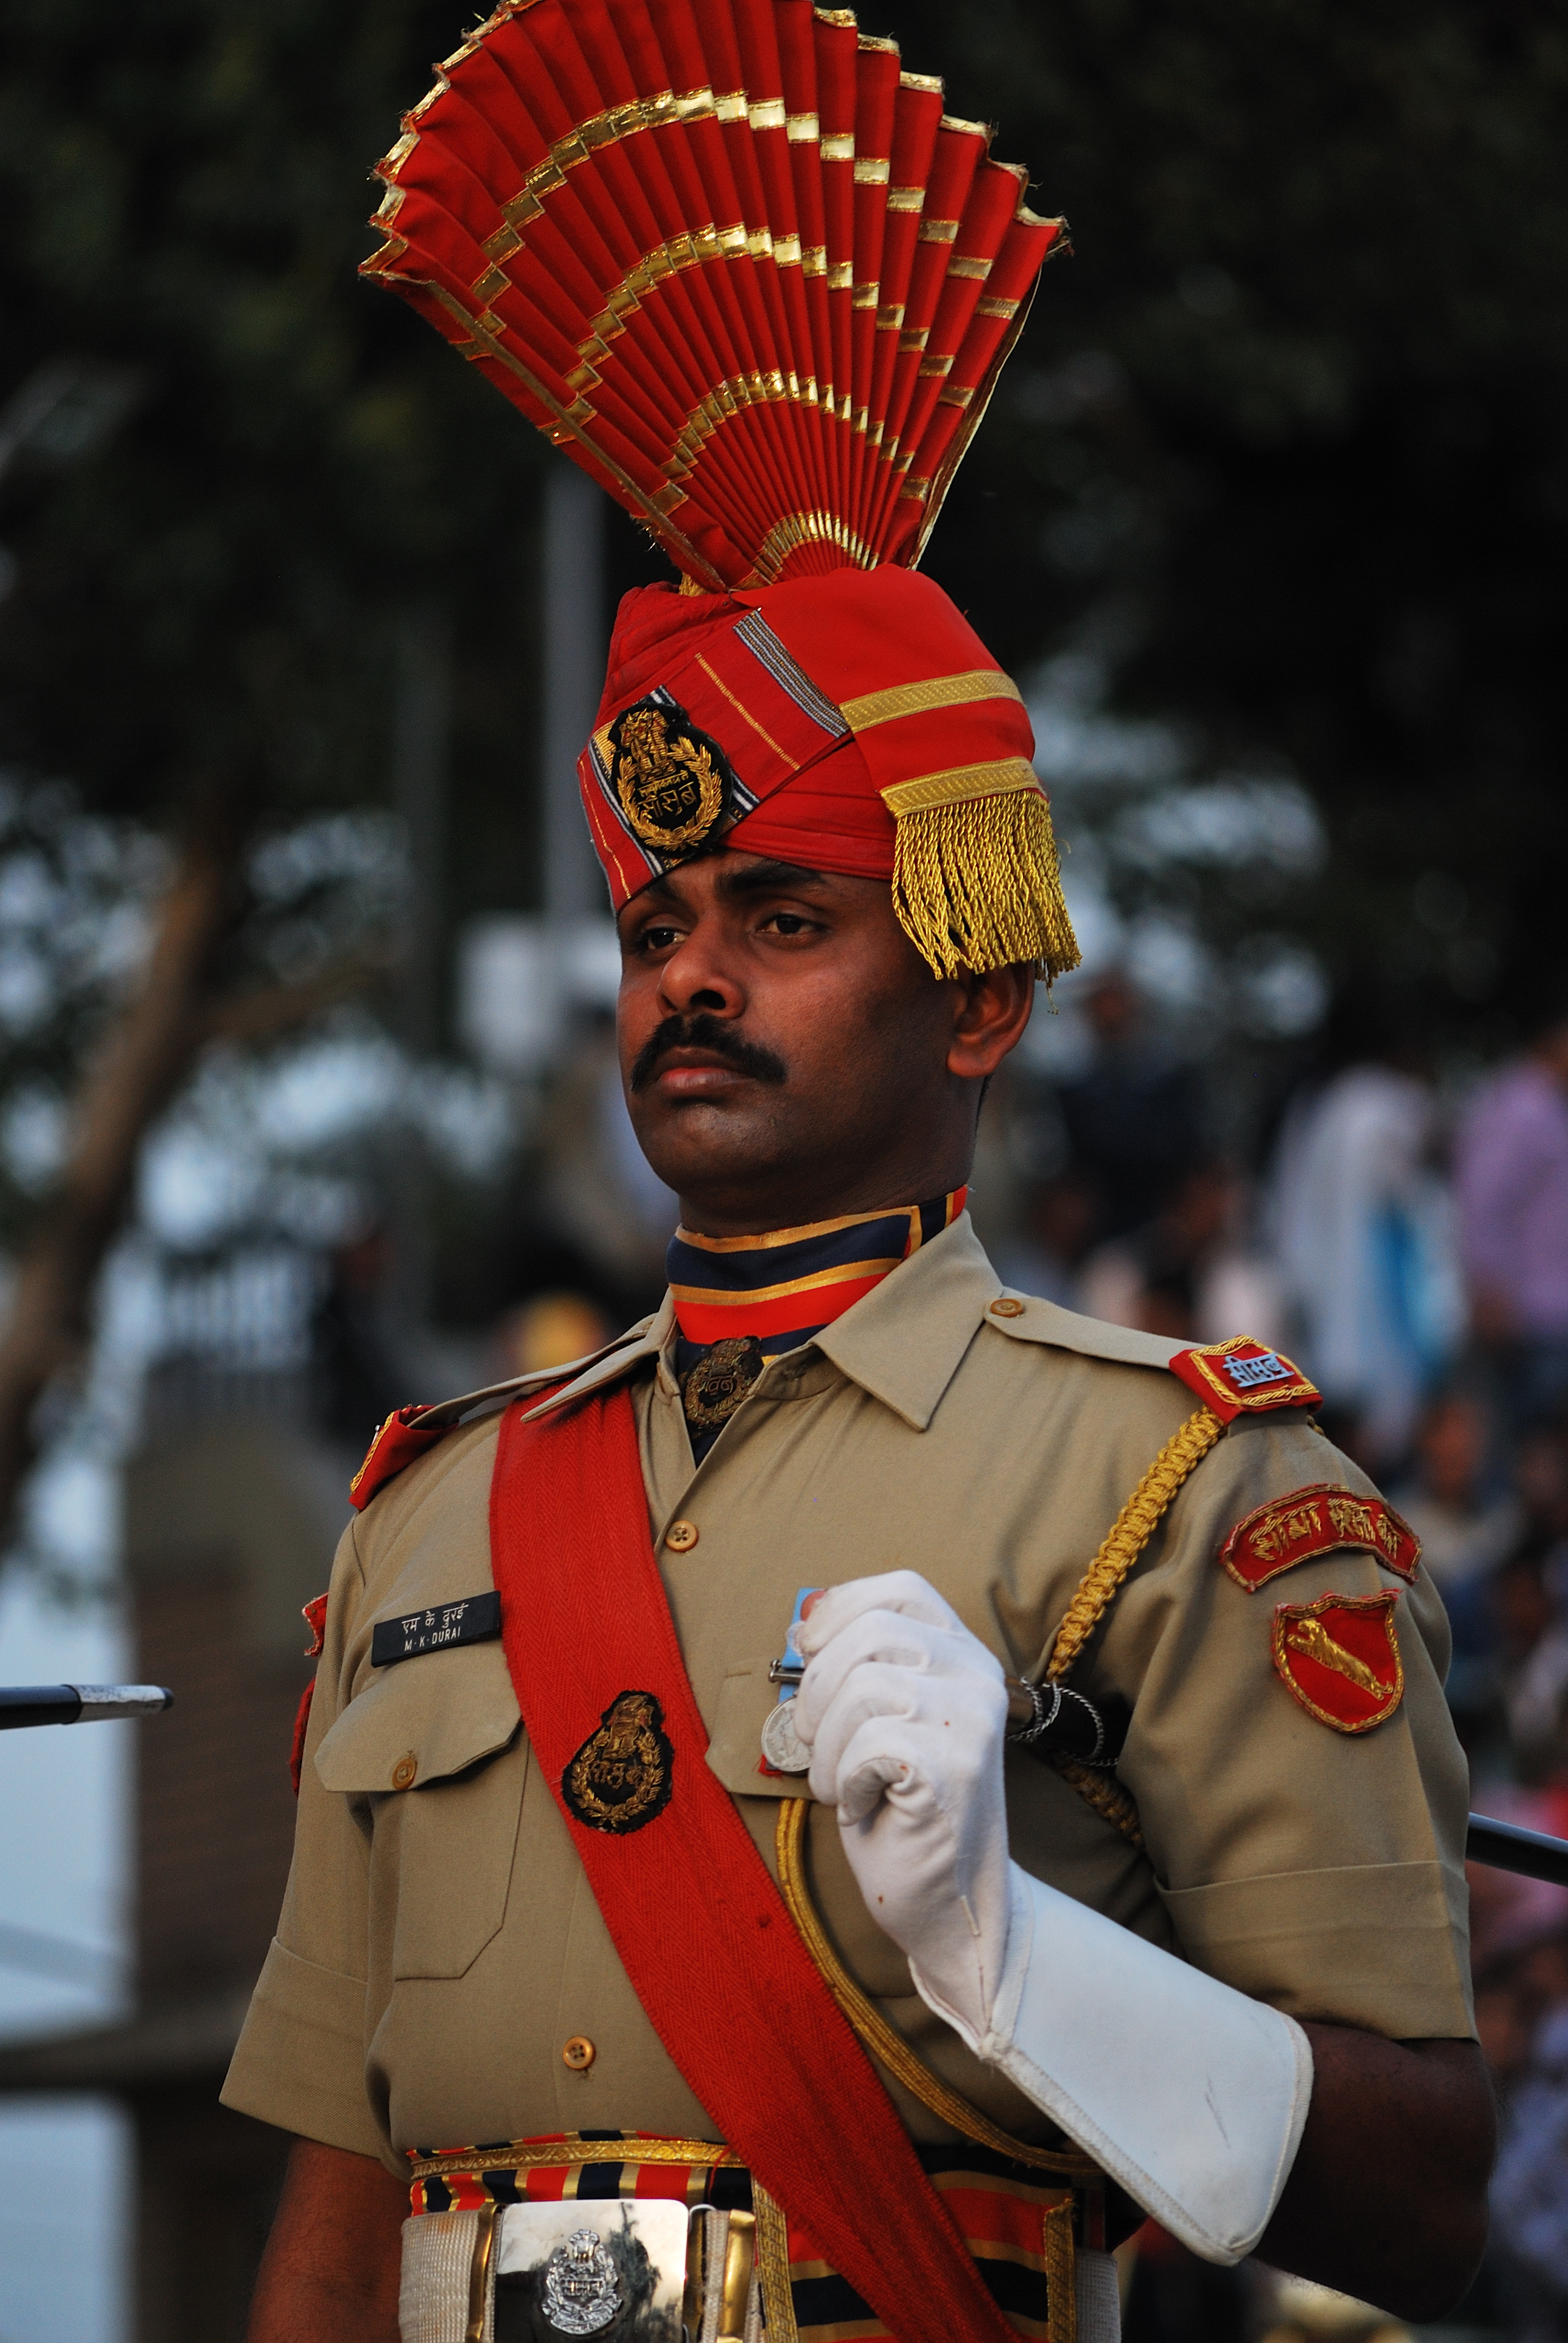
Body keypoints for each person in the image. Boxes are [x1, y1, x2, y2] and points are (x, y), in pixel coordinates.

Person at [224, 9, 1494, 2339]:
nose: (686, 982)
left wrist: (1024, 1962)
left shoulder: (1181, 1486)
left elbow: (1425, 2201)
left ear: (977, 999)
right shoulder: (429, 1513)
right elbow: (334, 2206)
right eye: (652, 925)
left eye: (780, 922)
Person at [1456, 1006, 1568, 1430]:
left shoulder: (1548, 1106)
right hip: (1524, 1312)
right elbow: (1485, 1200)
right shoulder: (1521, 1108)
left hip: (1545, 1313)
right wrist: (1490, 1286)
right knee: (1524, 1444)